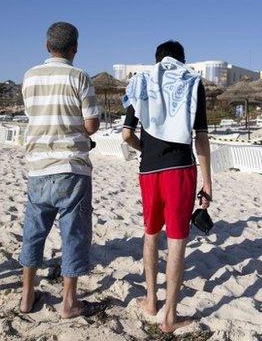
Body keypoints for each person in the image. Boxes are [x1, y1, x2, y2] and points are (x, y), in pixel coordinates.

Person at [121, 40, 212, 333]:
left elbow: (125, 135)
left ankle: (150, 301)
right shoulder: (191, 82)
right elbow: (200, 138)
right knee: (176, 241)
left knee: (150, 234)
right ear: (182, 60)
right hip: (180, 170)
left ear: (157, 59)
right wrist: (207, 183)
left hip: (148, 170)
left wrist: (144, 149)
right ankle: (170, 317)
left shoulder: (142, 82)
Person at [19, 22, 104, 318]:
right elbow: (91, 124)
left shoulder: (29, 77)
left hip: (38, 166)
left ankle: (27, 296)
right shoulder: (79, 77)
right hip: (71, 166)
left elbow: (34, 116)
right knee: (74, 234)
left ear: (46, 46)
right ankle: (69, 302)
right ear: (75, 49)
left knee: (34, 231)